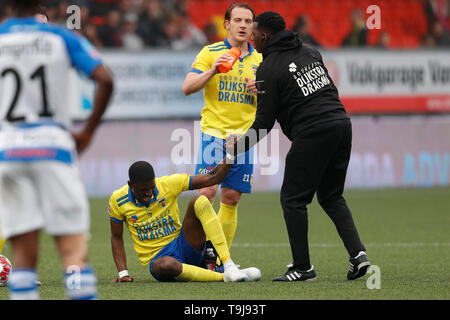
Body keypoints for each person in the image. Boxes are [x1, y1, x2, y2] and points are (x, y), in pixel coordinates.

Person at [227, 11, 370, 282]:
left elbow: (264, 124)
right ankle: (358, 256)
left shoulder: (268, 68)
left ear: (265, 36)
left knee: (293, 200)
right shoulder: (310, 51)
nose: (252, 38)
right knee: (331, 197)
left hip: (313, 131)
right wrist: (269, 92)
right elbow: (308, 91)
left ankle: (303, 268)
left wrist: (237, 147)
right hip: (341, 124)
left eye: (255, 34)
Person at [0, 0, 114, 299]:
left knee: (23, 256)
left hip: (9, 152)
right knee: (73, 253)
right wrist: (87, 132)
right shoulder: (63, 37)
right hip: (53, 149)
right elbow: (105, 79)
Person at [181, 3, 262, 265]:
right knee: (206, 194)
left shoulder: (261, 59)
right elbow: (187, 87)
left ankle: (219, 259)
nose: (242, 25)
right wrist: (213, 70)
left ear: (252, 26)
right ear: (226, 24)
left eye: (248, 21)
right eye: (237, 20)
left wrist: (261, 90)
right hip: (214, 133)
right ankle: (197, 251)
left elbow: (274, 102)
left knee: (232, 197)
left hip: (246, 136)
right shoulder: (210, 52)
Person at [108, 160, 261, 283]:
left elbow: (213, 178)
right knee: (166, 265)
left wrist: (231, 154)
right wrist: (123, 274)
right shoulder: (118, 200)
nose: (148, 194)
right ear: (130, 185)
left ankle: (228, 265)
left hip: (183, 243)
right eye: (143, 191)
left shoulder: (167, 184)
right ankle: (223, 277)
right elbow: (116, 236)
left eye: (151, 188)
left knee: (199, 200)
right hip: (158, 258)